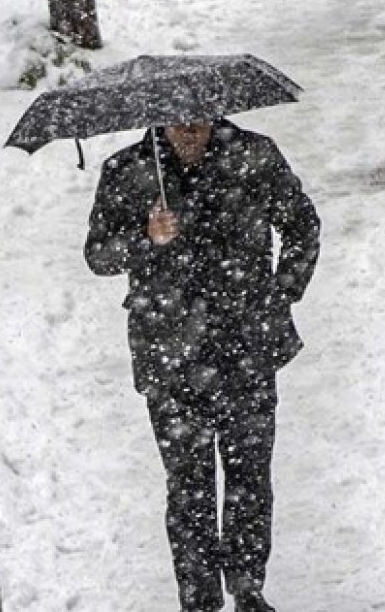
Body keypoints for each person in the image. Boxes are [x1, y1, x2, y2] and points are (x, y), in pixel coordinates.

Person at [85, 120, 320, 612]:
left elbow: (301, 224)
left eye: (200, 117)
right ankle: (199, 599)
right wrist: (146, 236)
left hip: (247, 346)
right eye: (178, 121)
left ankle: (248, 588)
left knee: (249, 476)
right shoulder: (129, 169)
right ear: (159, 118)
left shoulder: (253, 155)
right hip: (169, 354)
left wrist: (281, 294)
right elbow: (98, 254)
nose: (190, 129)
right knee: (188, 486)